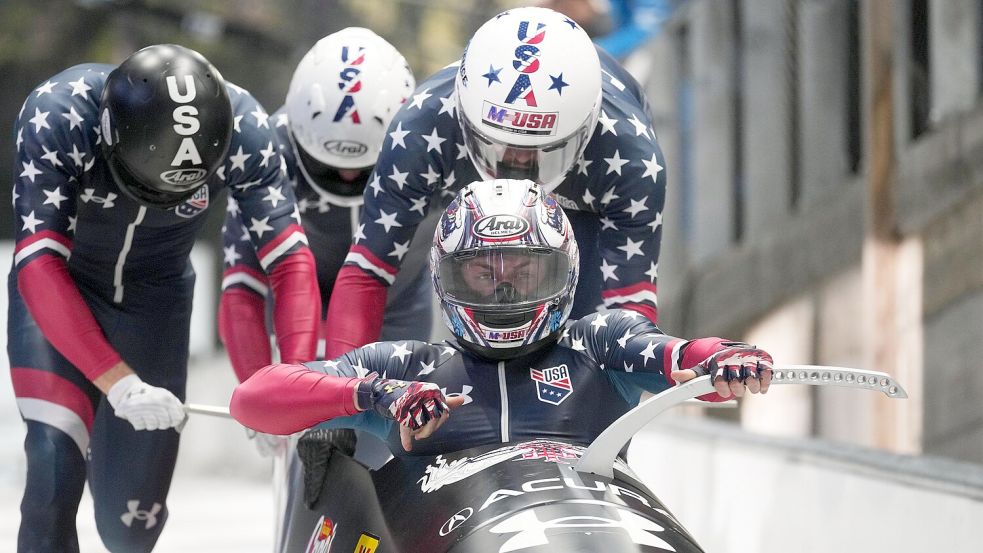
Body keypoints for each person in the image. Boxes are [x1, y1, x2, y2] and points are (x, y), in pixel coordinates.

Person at [7, 44, 319, 552]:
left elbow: (290, 261)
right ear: (108, 135)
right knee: (52, 466)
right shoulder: (57, 113)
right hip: (62, 286)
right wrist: (119, 383)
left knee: (131, 528)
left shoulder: (246, 129)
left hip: (156, 303)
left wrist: (295, 387)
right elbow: (38, 263)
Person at [231, 179, 773, 458]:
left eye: (526, 271)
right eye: (483, 274)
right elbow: (252, 400)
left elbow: (680, 360)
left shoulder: (601, 342)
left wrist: (724, 360)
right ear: (448, 279)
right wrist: (376, 395)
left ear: (564, 271)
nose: (506, 288)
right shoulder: (406, 370)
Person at [323, 6, 669, 360]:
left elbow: (629, 315)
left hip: (583, 208)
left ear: (585, 130)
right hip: (459, 181)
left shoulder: (631, 158)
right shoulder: (420, 129)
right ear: (464, 116)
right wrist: (343, 387)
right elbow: (367, 271)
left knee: (582, 337)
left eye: (539, 150)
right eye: (499, 145)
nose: (517, 162)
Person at [219, 28, 418, 462]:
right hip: (298, 293)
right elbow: (242, 285)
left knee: (389, 441)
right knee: (307, 437)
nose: (347, 177)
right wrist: (264, 389)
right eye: (328, 166)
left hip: (398, 298)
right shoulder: (265, 146)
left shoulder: (421, 144)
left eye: (362, 167)